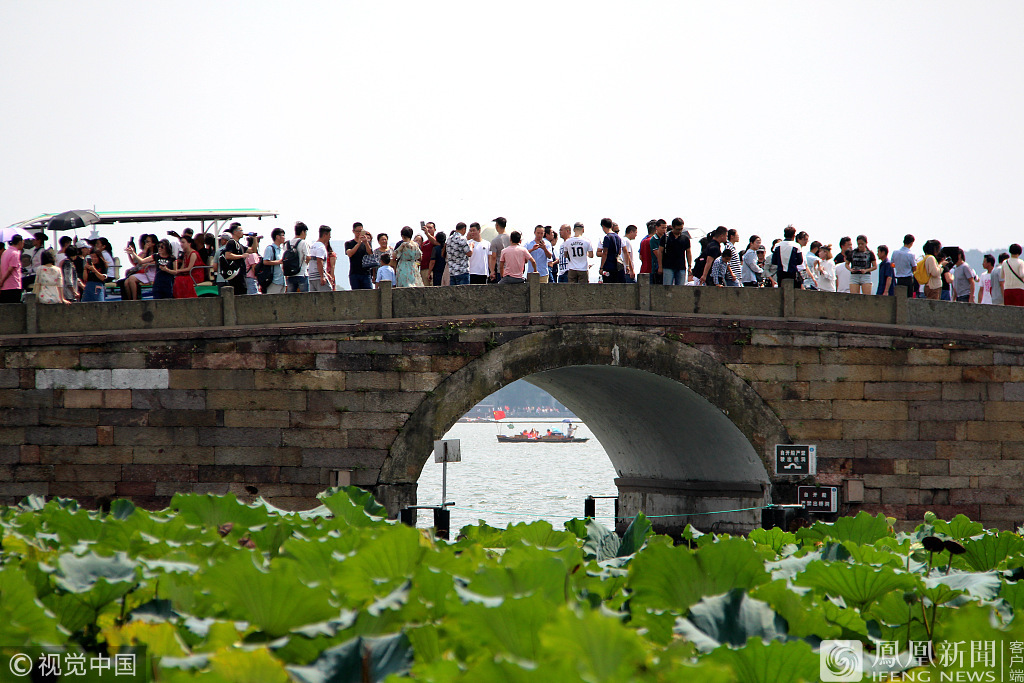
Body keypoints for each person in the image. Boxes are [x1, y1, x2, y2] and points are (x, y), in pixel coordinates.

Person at [123, 234, 158, 300]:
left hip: (153, 274)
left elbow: (157, 261)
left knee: (132, 278)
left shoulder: (157, 253)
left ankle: (135, 299)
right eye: (145, 242)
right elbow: (139, 262)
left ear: (153, 243)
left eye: (148, 242)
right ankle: (129, 299)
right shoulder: (146, 252)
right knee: (126, 282)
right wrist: (144, 251)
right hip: (147, 273)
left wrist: (148, 263)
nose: (146, 243)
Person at [219, 224, 250, 295]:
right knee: (239, 292)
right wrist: (241, 256)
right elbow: (228, 255)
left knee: (243, 291)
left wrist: (254, 239)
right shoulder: (231, 242)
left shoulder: (240, 245)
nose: (242, 232)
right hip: (236, 274)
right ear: (235, 232)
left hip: (241, 274)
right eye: (241, 230)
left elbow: (252, 250)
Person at [596, 218, 625, 283]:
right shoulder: (618, 237)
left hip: (609, 266)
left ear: (603, 226)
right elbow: (619, 252)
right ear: (611, 226)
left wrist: (601, 267)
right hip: (617, 266)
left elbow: (605, 253)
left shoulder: (607, 237)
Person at [345, 222, 373, 290]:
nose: (359, 233)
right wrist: (358, 243)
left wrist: (366, 242)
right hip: (354, 273)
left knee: (369, 293)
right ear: (353, 231)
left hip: (366, 273)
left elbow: (370, 253)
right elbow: (350, 253)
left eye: (361, 231)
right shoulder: (349, 243)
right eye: (357, 231)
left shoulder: (367, 243)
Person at [662, 219, 690, 285]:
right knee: (667, 287)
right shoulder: (666, 237)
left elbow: (688, 252)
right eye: (678, 229)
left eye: (681, 229)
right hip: (668, 266)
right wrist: (660, 266)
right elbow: (660, 252)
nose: (679, 231)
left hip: (681, 266)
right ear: (673, 227)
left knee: (680, 288)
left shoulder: (685, 238)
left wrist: (689, 266)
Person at [286, 222, 310, 293]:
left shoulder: (287, 243)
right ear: (303, 232)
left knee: (291, 299)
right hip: (302, 274)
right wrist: (306, 263)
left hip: (290, 275)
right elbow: (308, 257)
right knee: (305, 299)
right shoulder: (303, 242)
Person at [261, 228, 287, 295]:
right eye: (283, 235)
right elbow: (265, 261)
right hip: (273, 280)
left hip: (282, 281)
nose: (284, 237)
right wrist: (279, 262)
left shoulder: (282, 249)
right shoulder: (270, 248)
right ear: (277, 237)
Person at [0, 235, 24, 303]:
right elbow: (10, 269)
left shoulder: (5, 252)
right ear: (20, 242)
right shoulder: (15, 253)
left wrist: (1, 281)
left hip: (4, 287)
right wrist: (2, 281)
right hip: (13, 285)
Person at [309, 225, 333, 292]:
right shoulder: (321, 247)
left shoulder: (313, 246)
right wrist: (322, 276)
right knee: (327, 297)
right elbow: (319, 261)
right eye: (329, 235)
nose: (330, 237)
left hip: (311, 276)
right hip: (318, 276)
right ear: (325, 235)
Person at [489, 217, 511, 283]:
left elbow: (493, 257)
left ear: (497, 226)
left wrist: (492, 271)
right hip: (511, 269)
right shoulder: (511, 238)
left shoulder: (495, 241)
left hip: (500, 269)